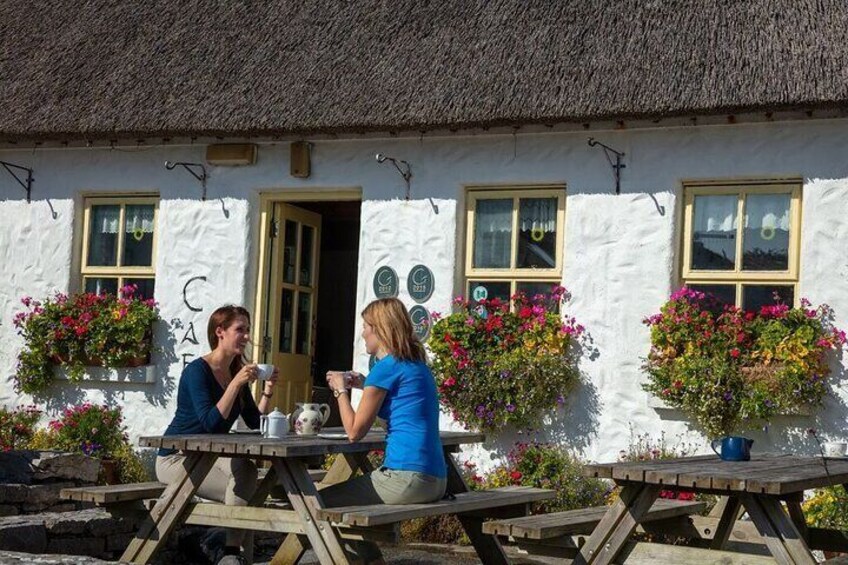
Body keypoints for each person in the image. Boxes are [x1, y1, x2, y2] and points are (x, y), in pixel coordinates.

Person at [323, 297, 446, 564]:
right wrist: (364, 384)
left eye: (366, 326)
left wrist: (339, 390)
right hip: (435, 479)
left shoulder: (386, 369)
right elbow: (400, 406)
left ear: (380, 328)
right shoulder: (416, 366)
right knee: (350, 505)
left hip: (406, 478)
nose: (363, 332)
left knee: (318, 504)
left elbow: (355, 432)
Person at [156, 305, 278, 565]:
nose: (246, 336)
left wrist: (267, 391)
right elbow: (210, 423)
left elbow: (255, 423)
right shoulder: (197, 371)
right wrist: (235, 384)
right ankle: (232, 555)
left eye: (247, 330)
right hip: (176, 457)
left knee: (244, 472)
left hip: (209, 457)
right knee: (245, 494)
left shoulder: (236, 370)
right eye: (240, 330)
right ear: (220, 332)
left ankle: (230, 552)